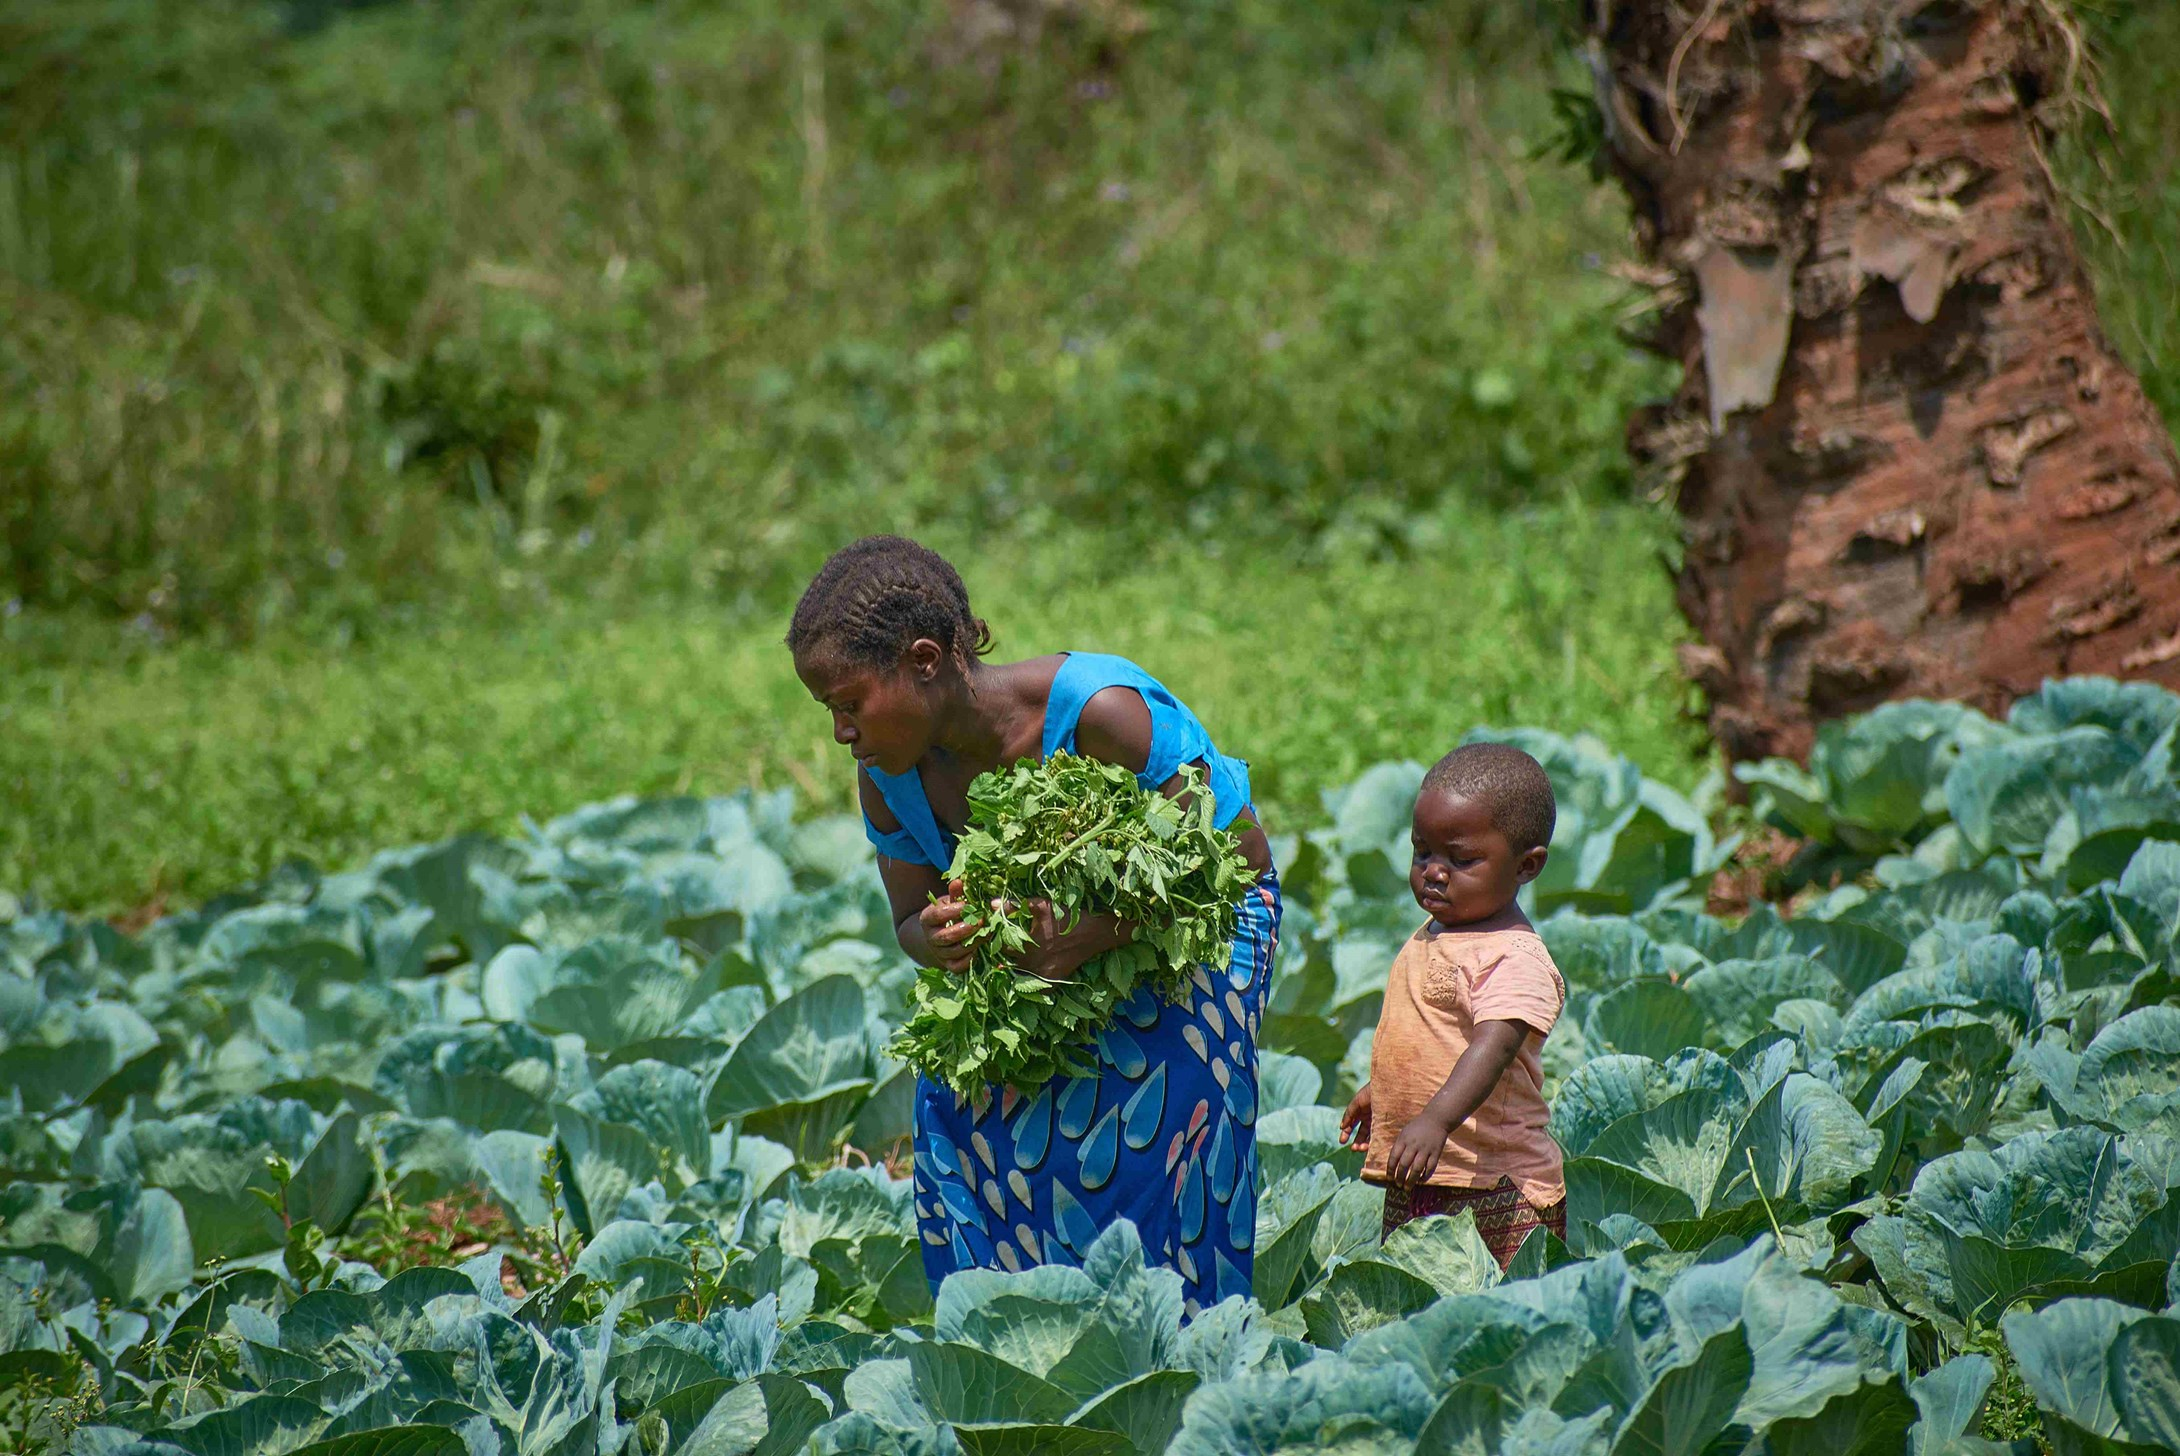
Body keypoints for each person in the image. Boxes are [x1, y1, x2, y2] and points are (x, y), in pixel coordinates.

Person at [786, 535, 1280, 1313]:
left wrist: (1097, 932)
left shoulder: (1100, 712)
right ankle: (1030, 1332)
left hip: (1200, 925)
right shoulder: (887, 780)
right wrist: (939, 936)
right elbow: (908, 920)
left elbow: (1228, 858)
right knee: (954, 1109)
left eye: (850, 705)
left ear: (924, 660)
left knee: (1159, 1113)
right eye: (830, 713)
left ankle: (1179, 1323)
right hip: (1042, 958)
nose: (842, 733)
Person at [1338, 742, 1568, 1268]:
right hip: (1424, 1167)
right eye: (1423, 852)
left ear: (1527, 866)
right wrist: (1389, 1091)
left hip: (1496, 1185)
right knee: (1412, 1307)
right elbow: (1434, 1035)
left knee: (1497, 1316)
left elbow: (1493, 1046)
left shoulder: (1514, 956)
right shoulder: (1434, 932)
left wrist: (1435, 1119)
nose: (1435, 872)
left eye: (1461, 860)